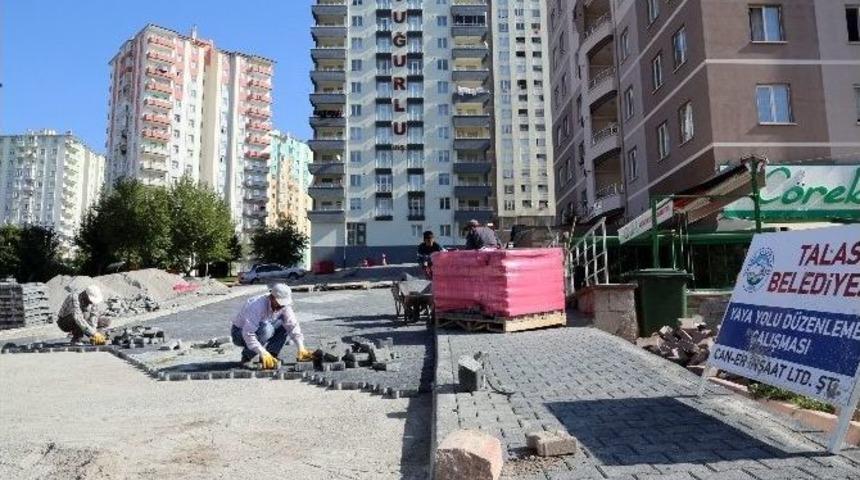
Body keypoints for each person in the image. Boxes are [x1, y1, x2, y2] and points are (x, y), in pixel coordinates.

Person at [231, 283, 314, 369]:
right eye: (279, 303)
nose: (281, 306)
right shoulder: (256, 305)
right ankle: (247, 356)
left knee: (283, 325)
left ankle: (271, 355)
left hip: (262, 327)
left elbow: (292, 325)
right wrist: (262, 352)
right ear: (271, 297)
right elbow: (248, 333)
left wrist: (301, 348)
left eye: (283, 304)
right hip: (239, 333)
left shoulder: (284, 306)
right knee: (267, 330)